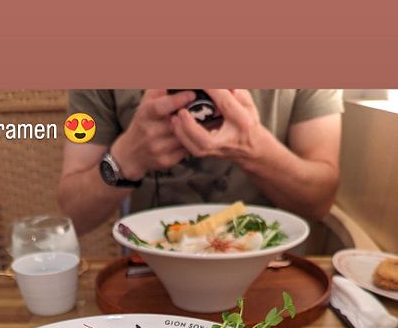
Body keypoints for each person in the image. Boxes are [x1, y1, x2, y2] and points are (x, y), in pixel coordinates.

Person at [58, 89, 343, 235]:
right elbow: (74, 213)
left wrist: (255, 150)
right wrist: (125, 159)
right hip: (149, 272)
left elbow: (319, 200)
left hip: (270, 269)